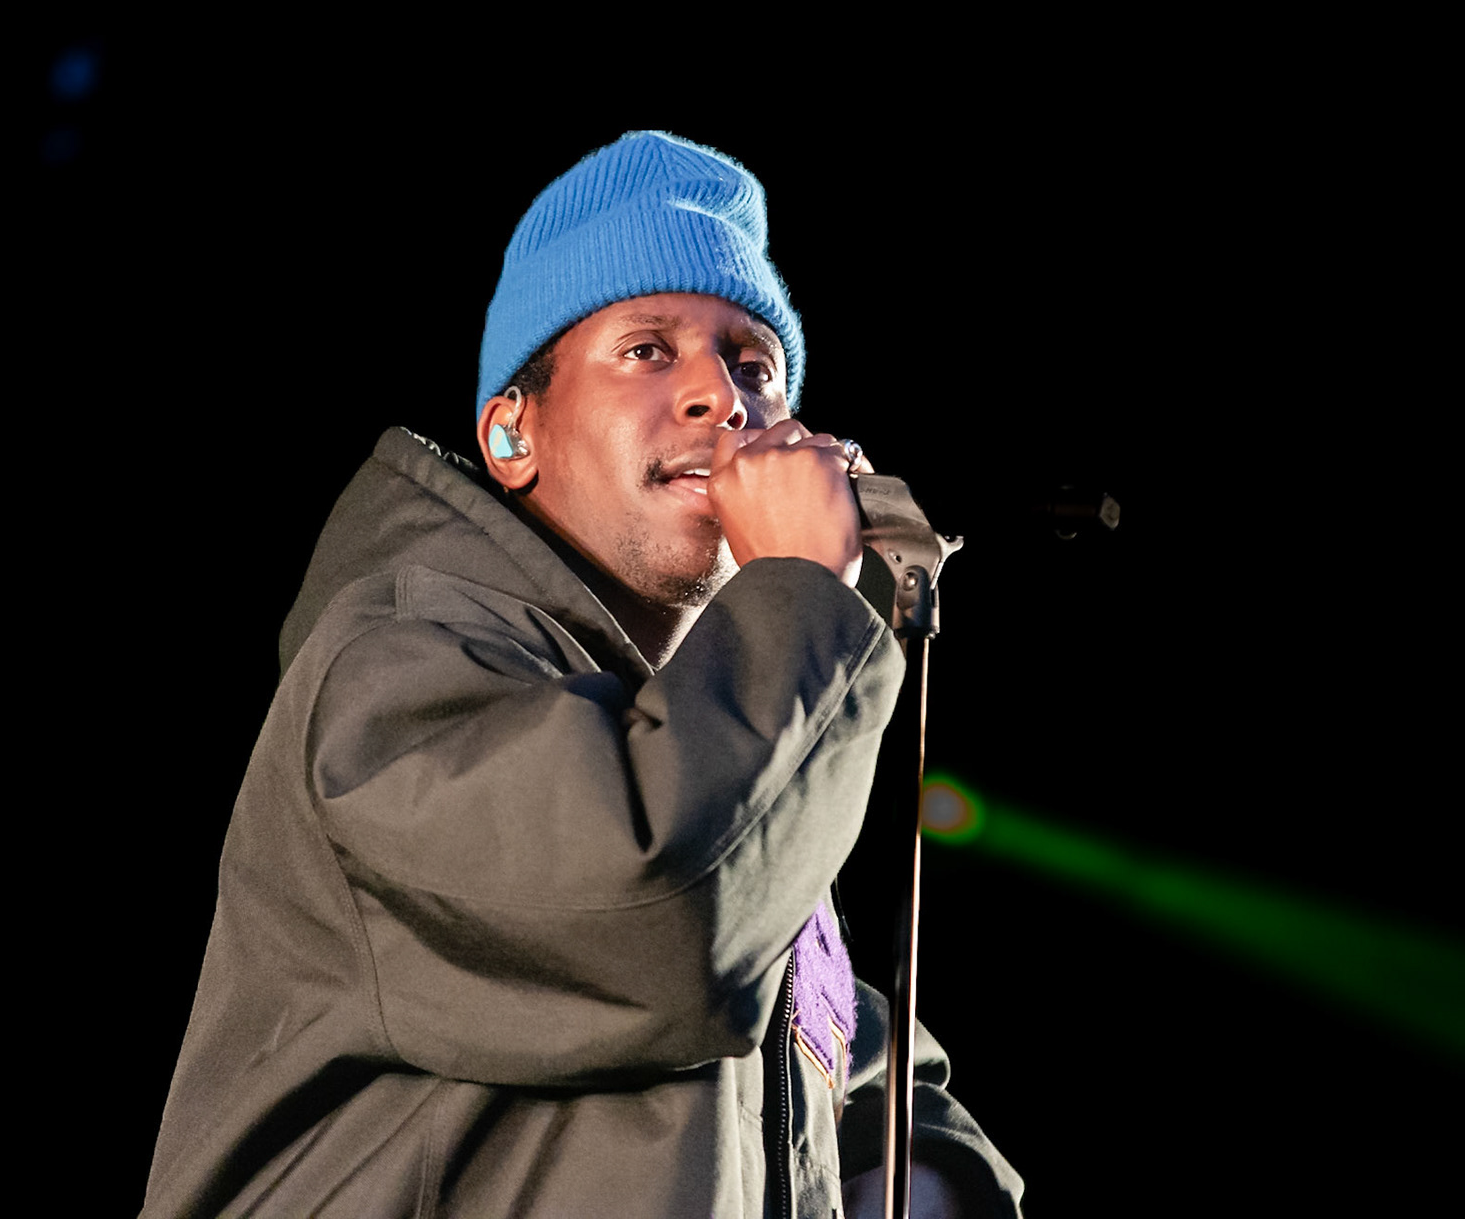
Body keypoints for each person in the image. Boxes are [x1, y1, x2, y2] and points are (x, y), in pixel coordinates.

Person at [142, 131, 1024, 1217]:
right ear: (513, 433)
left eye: (754, 363)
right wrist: (799, 582)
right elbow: (661, 918)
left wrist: (929, 1175)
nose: (721, 395)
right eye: (648, 349)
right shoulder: (397, 662)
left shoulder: (708, 739)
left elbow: (834, 1042)